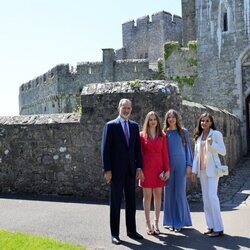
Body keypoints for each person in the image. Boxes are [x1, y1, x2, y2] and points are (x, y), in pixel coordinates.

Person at [101, 98, 144, 245]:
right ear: (118, 108)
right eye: (124, 107)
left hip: (131, 171)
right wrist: (107, 170)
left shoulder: (134, 126)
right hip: (116, 171)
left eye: (128, 108)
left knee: (131, 202)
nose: (126, 110)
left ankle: (131, 231)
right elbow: (105, 150)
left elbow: (137, 149)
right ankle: (115, 234)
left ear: (131, 109)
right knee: (116, 202)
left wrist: (139, 167)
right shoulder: (111, 126)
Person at [191, 112, 226, 237]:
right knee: (205, 198)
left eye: (207, 121)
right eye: (202, 121)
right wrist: (194, 171)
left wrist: (212, 144)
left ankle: (219, 227)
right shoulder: (199, 136)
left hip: (213, 170)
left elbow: (223, 151)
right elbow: (196, 155)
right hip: (202, 170)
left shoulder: (216, 134)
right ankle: (210, 226)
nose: (204, 123)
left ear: (211, 122)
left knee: (212, 196)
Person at [139, 111, 170, 235]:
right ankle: (147, 223)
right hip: (146, 168)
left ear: (157, 121)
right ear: (147, 121)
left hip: (159, 168)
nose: (153, 121)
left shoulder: (162, 135)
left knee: (158, 195)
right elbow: (139, 154)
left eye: (155, 119)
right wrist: (139, 169)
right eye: (150, 119)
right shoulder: (141, 135)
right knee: (147, 196)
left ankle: (156, 223)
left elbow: (165, 154)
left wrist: (167, 170)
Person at [163, 109, 193, 232]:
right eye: (169, 117)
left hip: (181, 165)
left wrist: (189, 165)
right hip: (168, 166)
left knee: (180, 193)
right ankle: (170, 221)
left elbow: (188, 150)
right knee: (169, 193)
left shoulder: (183, 132)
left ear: (176, 118)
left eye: (173, 117)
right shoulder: (164, 133)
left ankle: (180, 221)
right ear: (166, 120)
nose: (171, 119)